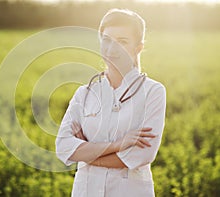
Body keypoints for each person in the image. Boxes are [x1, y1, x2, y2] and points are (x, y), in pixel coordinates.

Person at [55, 8, 166, 197]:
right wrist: (118, 145)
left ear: (138, 47)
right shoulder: (85, 93)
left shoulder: (153, 92)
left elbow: (141, 155)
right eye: (106, 40)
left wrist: (87, 154)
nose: (112, 48)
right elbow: (63, 146)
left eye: (122, 42)